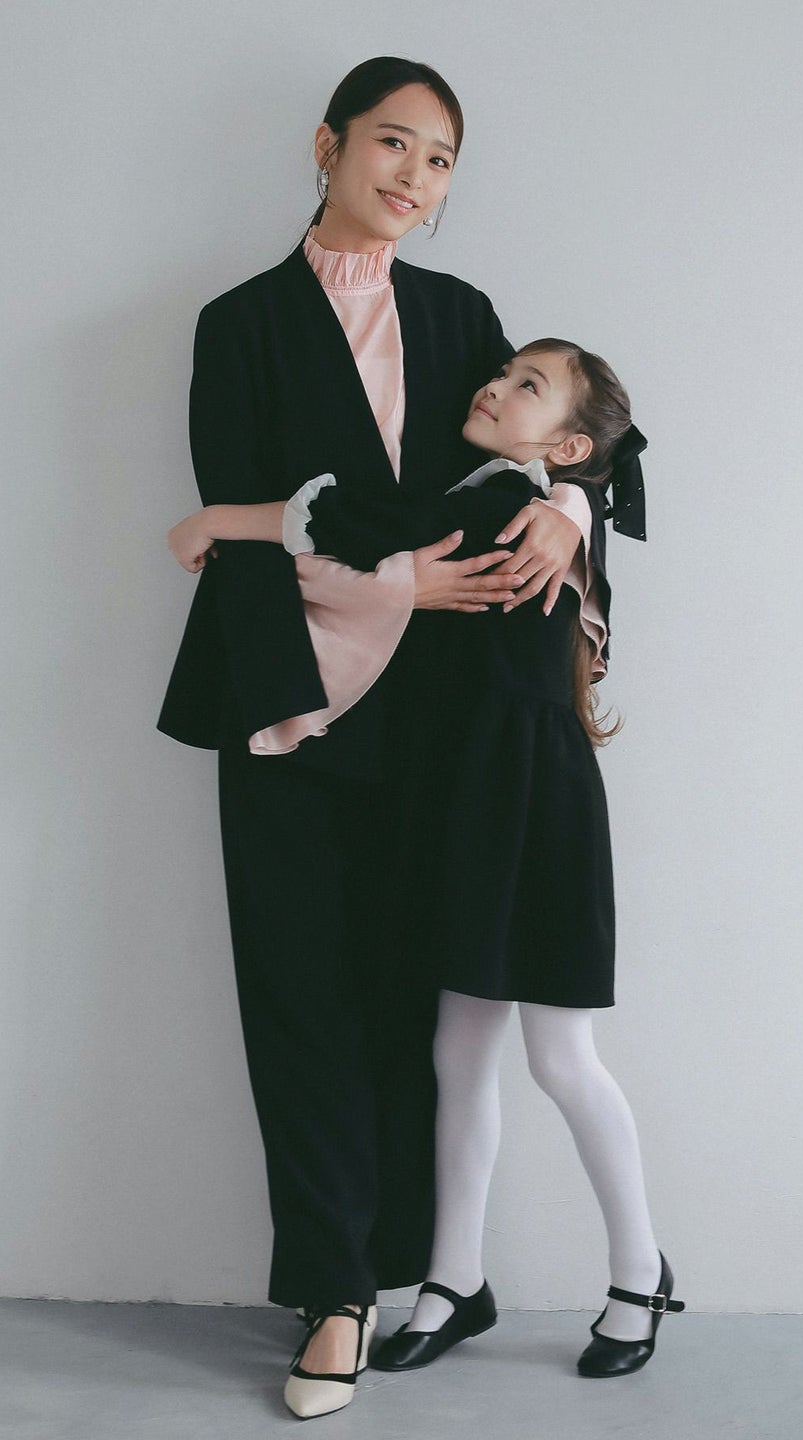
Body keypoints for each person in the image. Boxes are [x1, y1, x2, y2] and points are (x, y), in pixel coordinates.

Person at [155, 58, 594, 1419]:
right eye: (393, 143)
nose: (415, 176)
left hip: (446, 720)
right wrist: (399, 582)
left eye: (441, 159)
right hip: (288, 701)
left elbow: (576, 436)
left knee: (415, 992)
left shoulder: (462, 316)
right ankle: (334, 1293)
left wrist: (571, 509)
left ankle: (422, 1270)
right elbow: (239, 523)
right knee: (298, 995)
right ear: (328, 144)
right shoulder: (240, 324)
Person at [167, 339, 683, 1402]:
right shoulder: (505, 497)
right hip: (468, 805)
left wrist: (218, 521)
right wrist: (575, 497)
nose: (495, 385)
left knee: (561, 1058)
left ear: (569, 446)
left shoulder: (514, 509)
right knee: (457, 1053)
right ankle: (453, 1281)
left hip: (533, 810)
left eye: (528, 386)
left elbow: (340, 532)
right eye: (504, 372)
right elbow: (372, 531)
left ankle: (641, 1273)